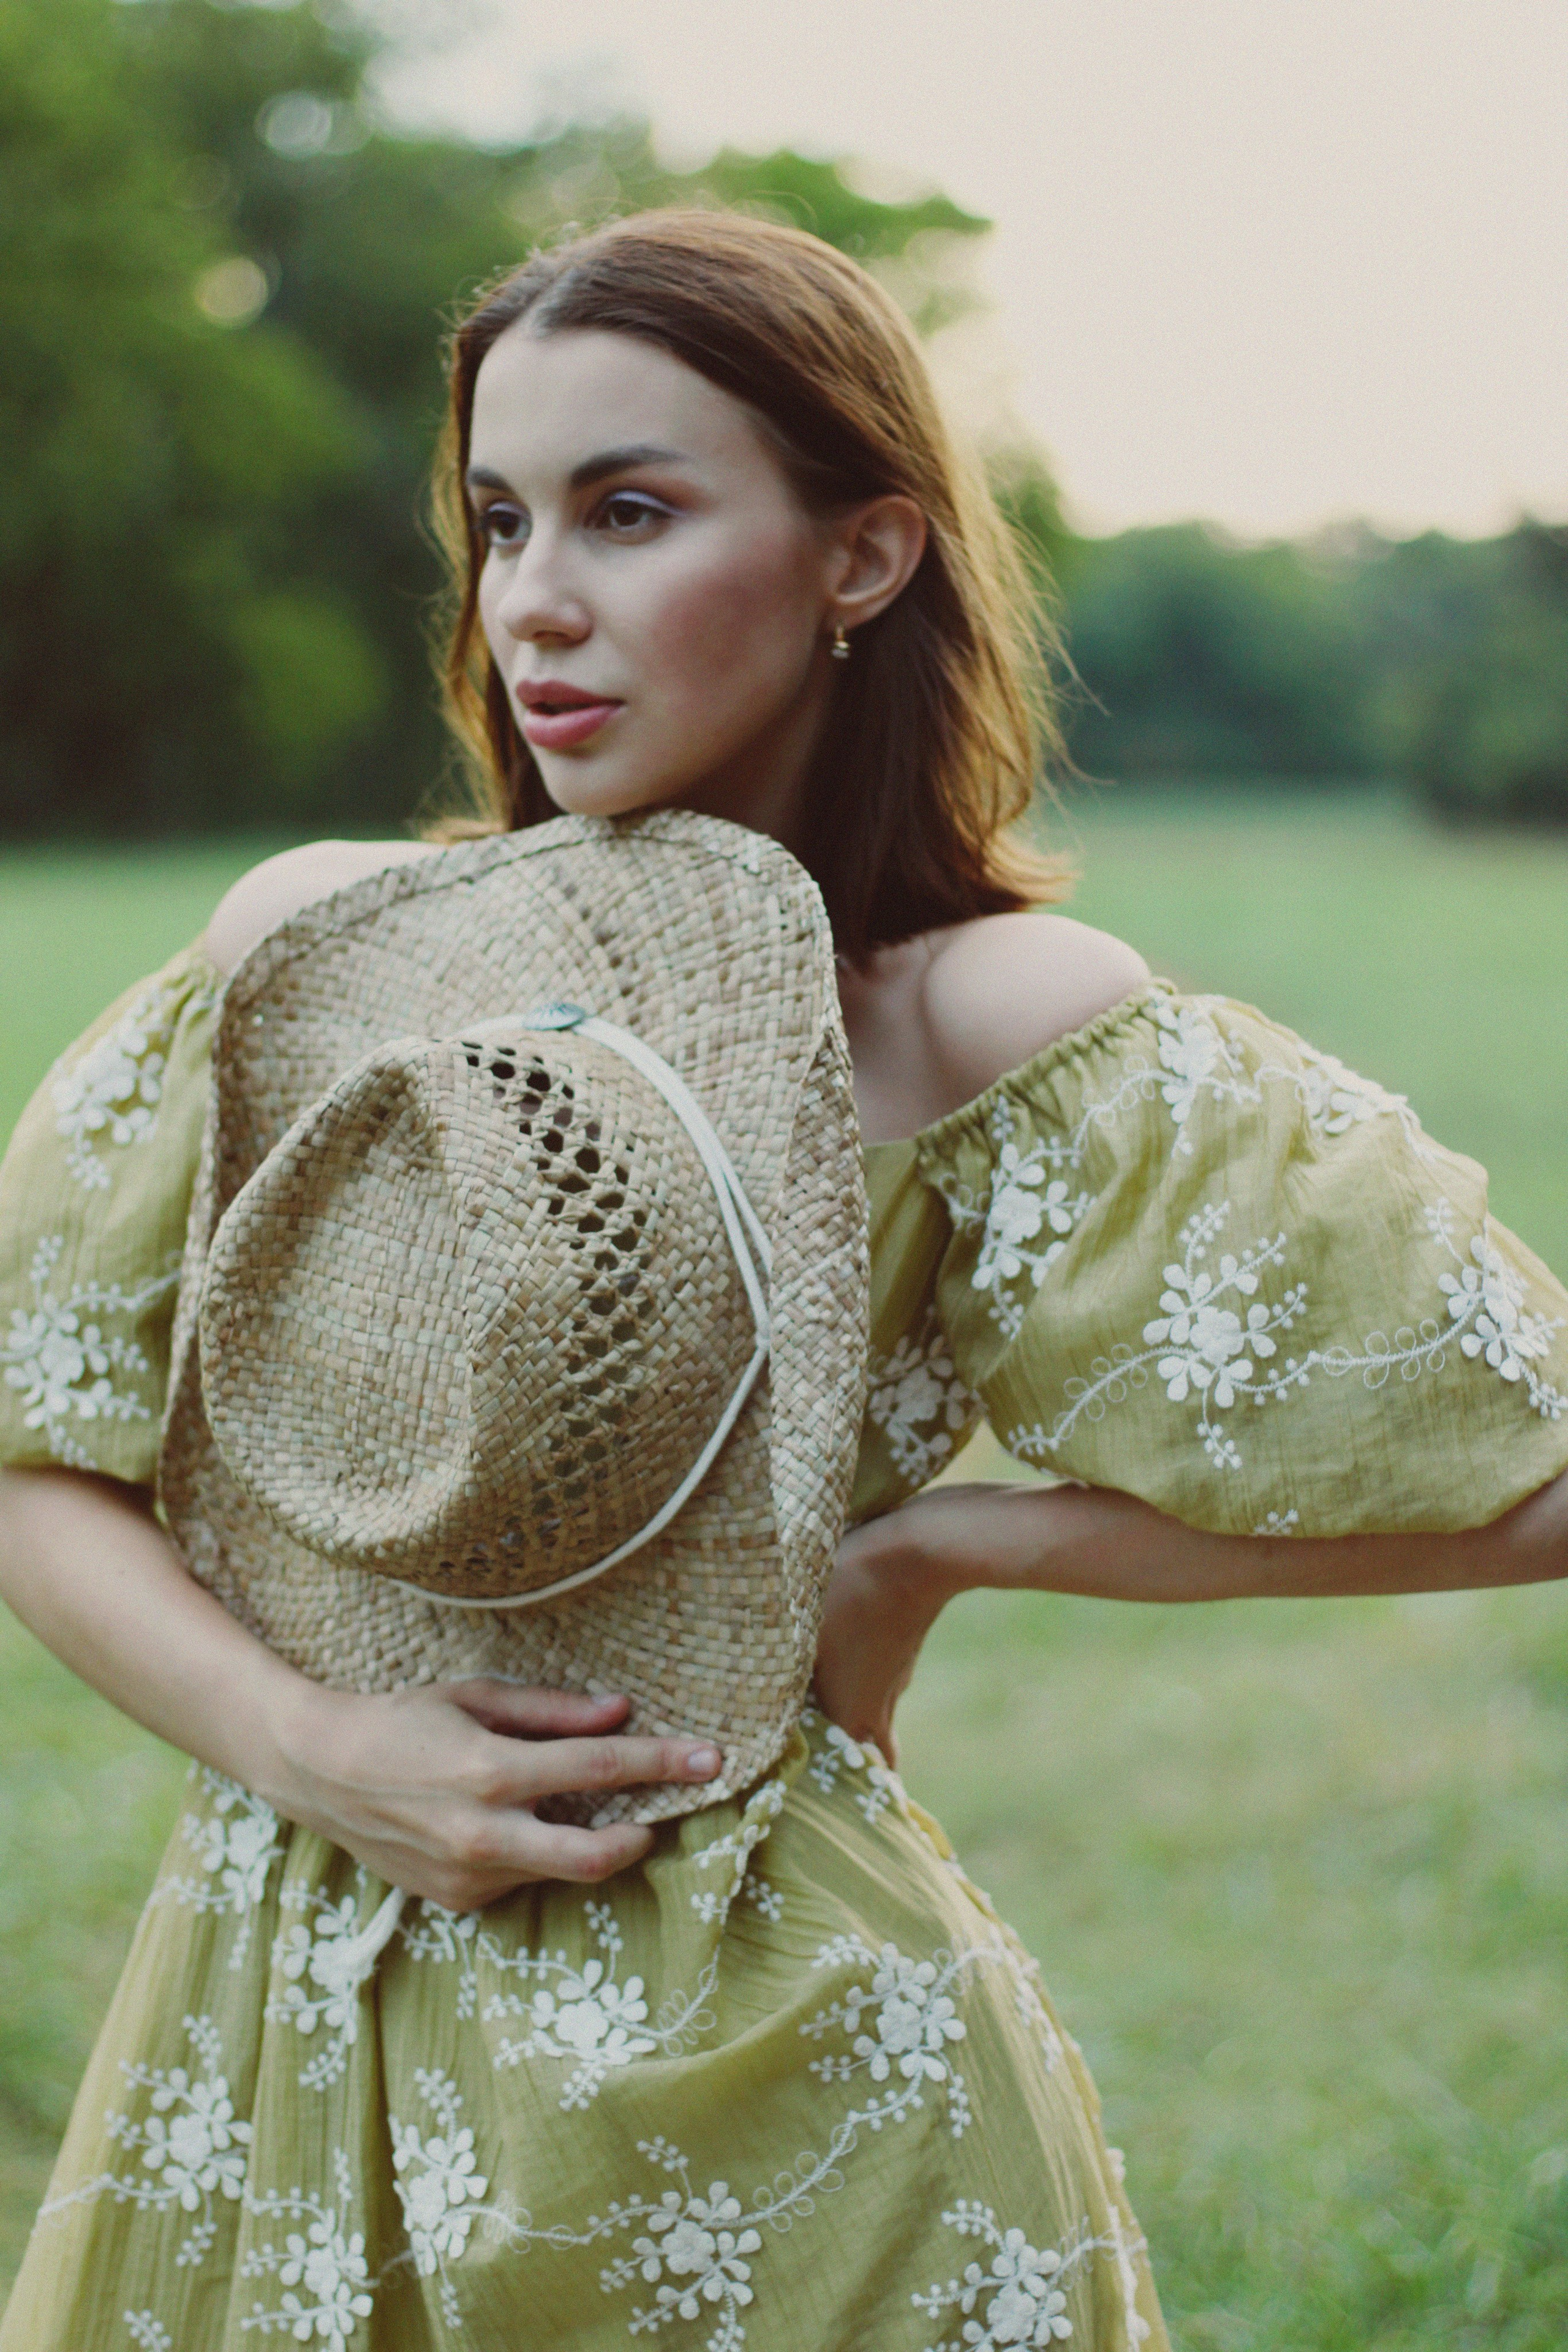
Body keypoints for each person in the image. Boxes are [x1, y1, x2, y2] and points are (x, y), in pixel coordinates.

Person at [1, 208, 1564, 2352]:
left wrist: (935, 1552)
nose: (536, 603)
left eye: (630, 513)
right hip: (293, 2015)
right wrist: (308, 1741)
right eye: (498, 519)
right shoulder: (326, 953)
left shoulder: (987, 1022)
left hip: (798, 2060)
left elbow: (1537, 1472)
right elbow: (32, 1441)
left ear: (868, 555)